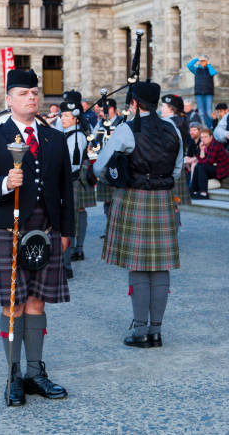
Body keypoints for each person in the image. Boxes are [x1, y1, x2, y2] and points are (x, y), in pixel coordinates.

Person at [0, 68, 74, 407]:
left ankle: (34, 372)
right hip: (8, 228)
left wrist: (67, 231)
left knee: (37, 301)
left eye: (35, 92)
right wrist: (4, 184)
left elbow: (65, 191)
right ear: (9, 100)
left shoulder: (54, 138)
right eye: (24, 93)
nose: (32, 97)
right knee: (12, 302)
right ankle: (13, 374)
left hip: (46, 230)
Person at [94, 80, 183, 349]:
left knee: (138, 266)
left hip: (134, 197)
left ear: (134, 103)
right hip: (163, 197)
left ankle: (140, 329)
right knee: (160, 266)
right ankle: (156, 332)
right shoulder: (173, 130)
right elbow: (177, 170)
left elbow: (100, 167)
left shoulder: (126, 130)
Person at [60, 90, 96, 277]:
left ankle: (69, 259)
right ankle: (66, 259)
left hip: (72, 180)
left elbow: (72, 164)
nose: (62, 118)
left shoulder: (76, 136)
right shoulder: (68, 132)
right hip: (67, 180)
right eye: (62, 115)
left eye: (66, 115)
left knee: (69, 220)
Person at [94, 99, 123, 237]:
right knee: (107, 199)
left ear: (111, 109)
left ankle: (119, 230)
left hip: (117, 165)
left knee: (118, 199)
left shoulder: (121, 122)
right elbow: (94, 138)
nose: (100, 113)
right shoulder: (100, 123)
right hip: (103, 164)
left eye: (102, 110)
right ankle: (110, 229)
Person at [161, 94, 191, 224]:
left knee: (171, 203)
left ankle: (172, 232)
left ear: (170, 108)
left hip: (170, 165)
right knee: (172, 203)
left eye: (163, 106)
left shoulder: (172, 123)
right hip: (173, 164)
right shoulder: (179, 121)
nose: (161, 109)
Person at [190, 128, 229, 199]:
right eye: (201, 137)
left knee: (201, 166)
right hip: (213, 168)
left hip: (222, 170)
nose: (203, 139)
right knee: (198, 166)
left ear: (211, 137)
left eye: (205, 137)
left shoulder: (215, 144)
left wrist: (200, 162)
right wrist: (201, 150)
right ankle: (194, 191)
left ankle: (204, 193)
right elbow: (200, 159)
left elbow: (209, 161)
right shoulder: (204, 146)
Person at [186, 55, 217, 129]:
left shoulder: (209, 69)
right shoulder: (196, 70)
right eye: (201, 61)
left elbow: (213, 73)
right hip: (199, 93)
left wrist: (208, 64)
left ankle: (210, 127)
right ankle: (204, 127)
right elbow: (189, 65)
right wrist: (197, 59)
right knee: (201, 112)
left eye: (204, 61)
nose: (202, 62)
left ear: (207, 61)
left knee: (209, 112)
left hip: (208, 93)